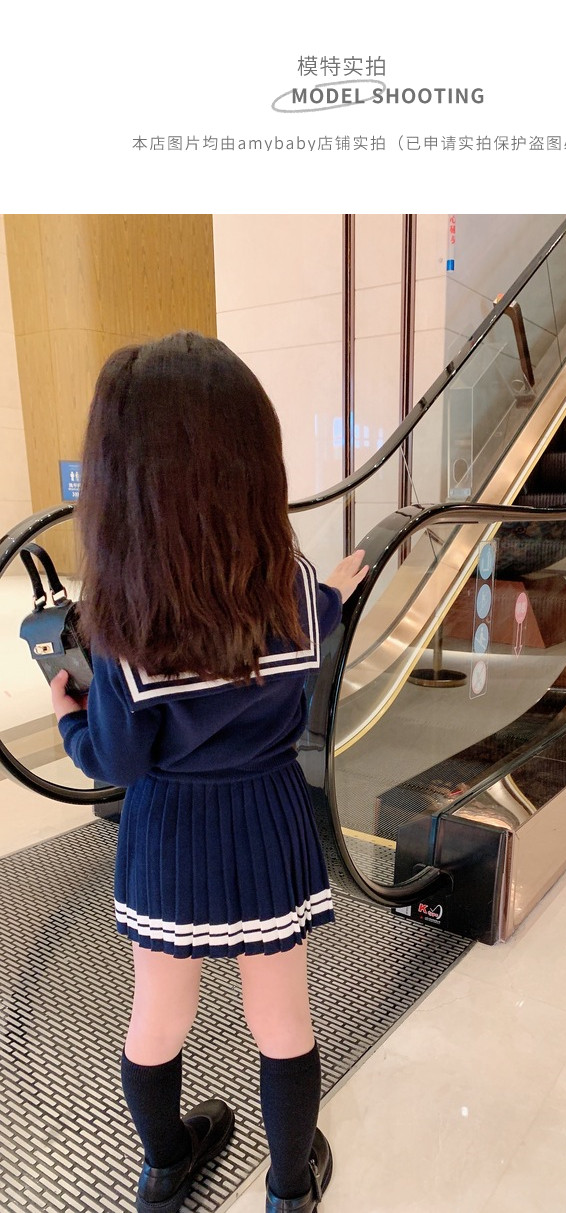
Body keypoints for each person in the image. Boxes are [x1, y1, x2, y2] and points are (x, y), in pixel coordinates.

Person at [49, 331, 368, 1213]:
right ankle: (290, 1187)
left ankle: (164, 1167)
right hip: (267, 819)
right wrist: (339, 588)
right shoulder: (291, 585)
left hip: (169, 835)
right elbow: (316, 619)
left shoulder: (123, 625)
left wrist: (70, 717)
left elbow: (115, 759)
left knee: (158, 1013)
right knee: (283, 1016)